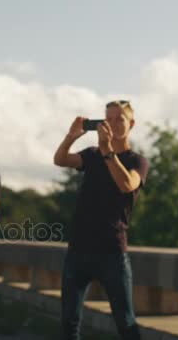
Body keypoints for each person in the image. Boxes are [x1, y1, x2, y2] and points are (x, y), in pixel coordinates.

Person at [53, 101, 149, 340]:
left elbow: (127, 185)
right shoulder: (93, 155)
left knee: (125, 322)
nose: (113, 124)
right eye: (108, 119)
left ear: (132, 124)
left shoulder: (137, 161)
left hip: (112, 251)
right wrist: (71, 136)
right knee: (68, 322)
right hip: (79, 249)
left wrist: (108, 151)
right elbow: (60, 160)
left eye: (120, 119)